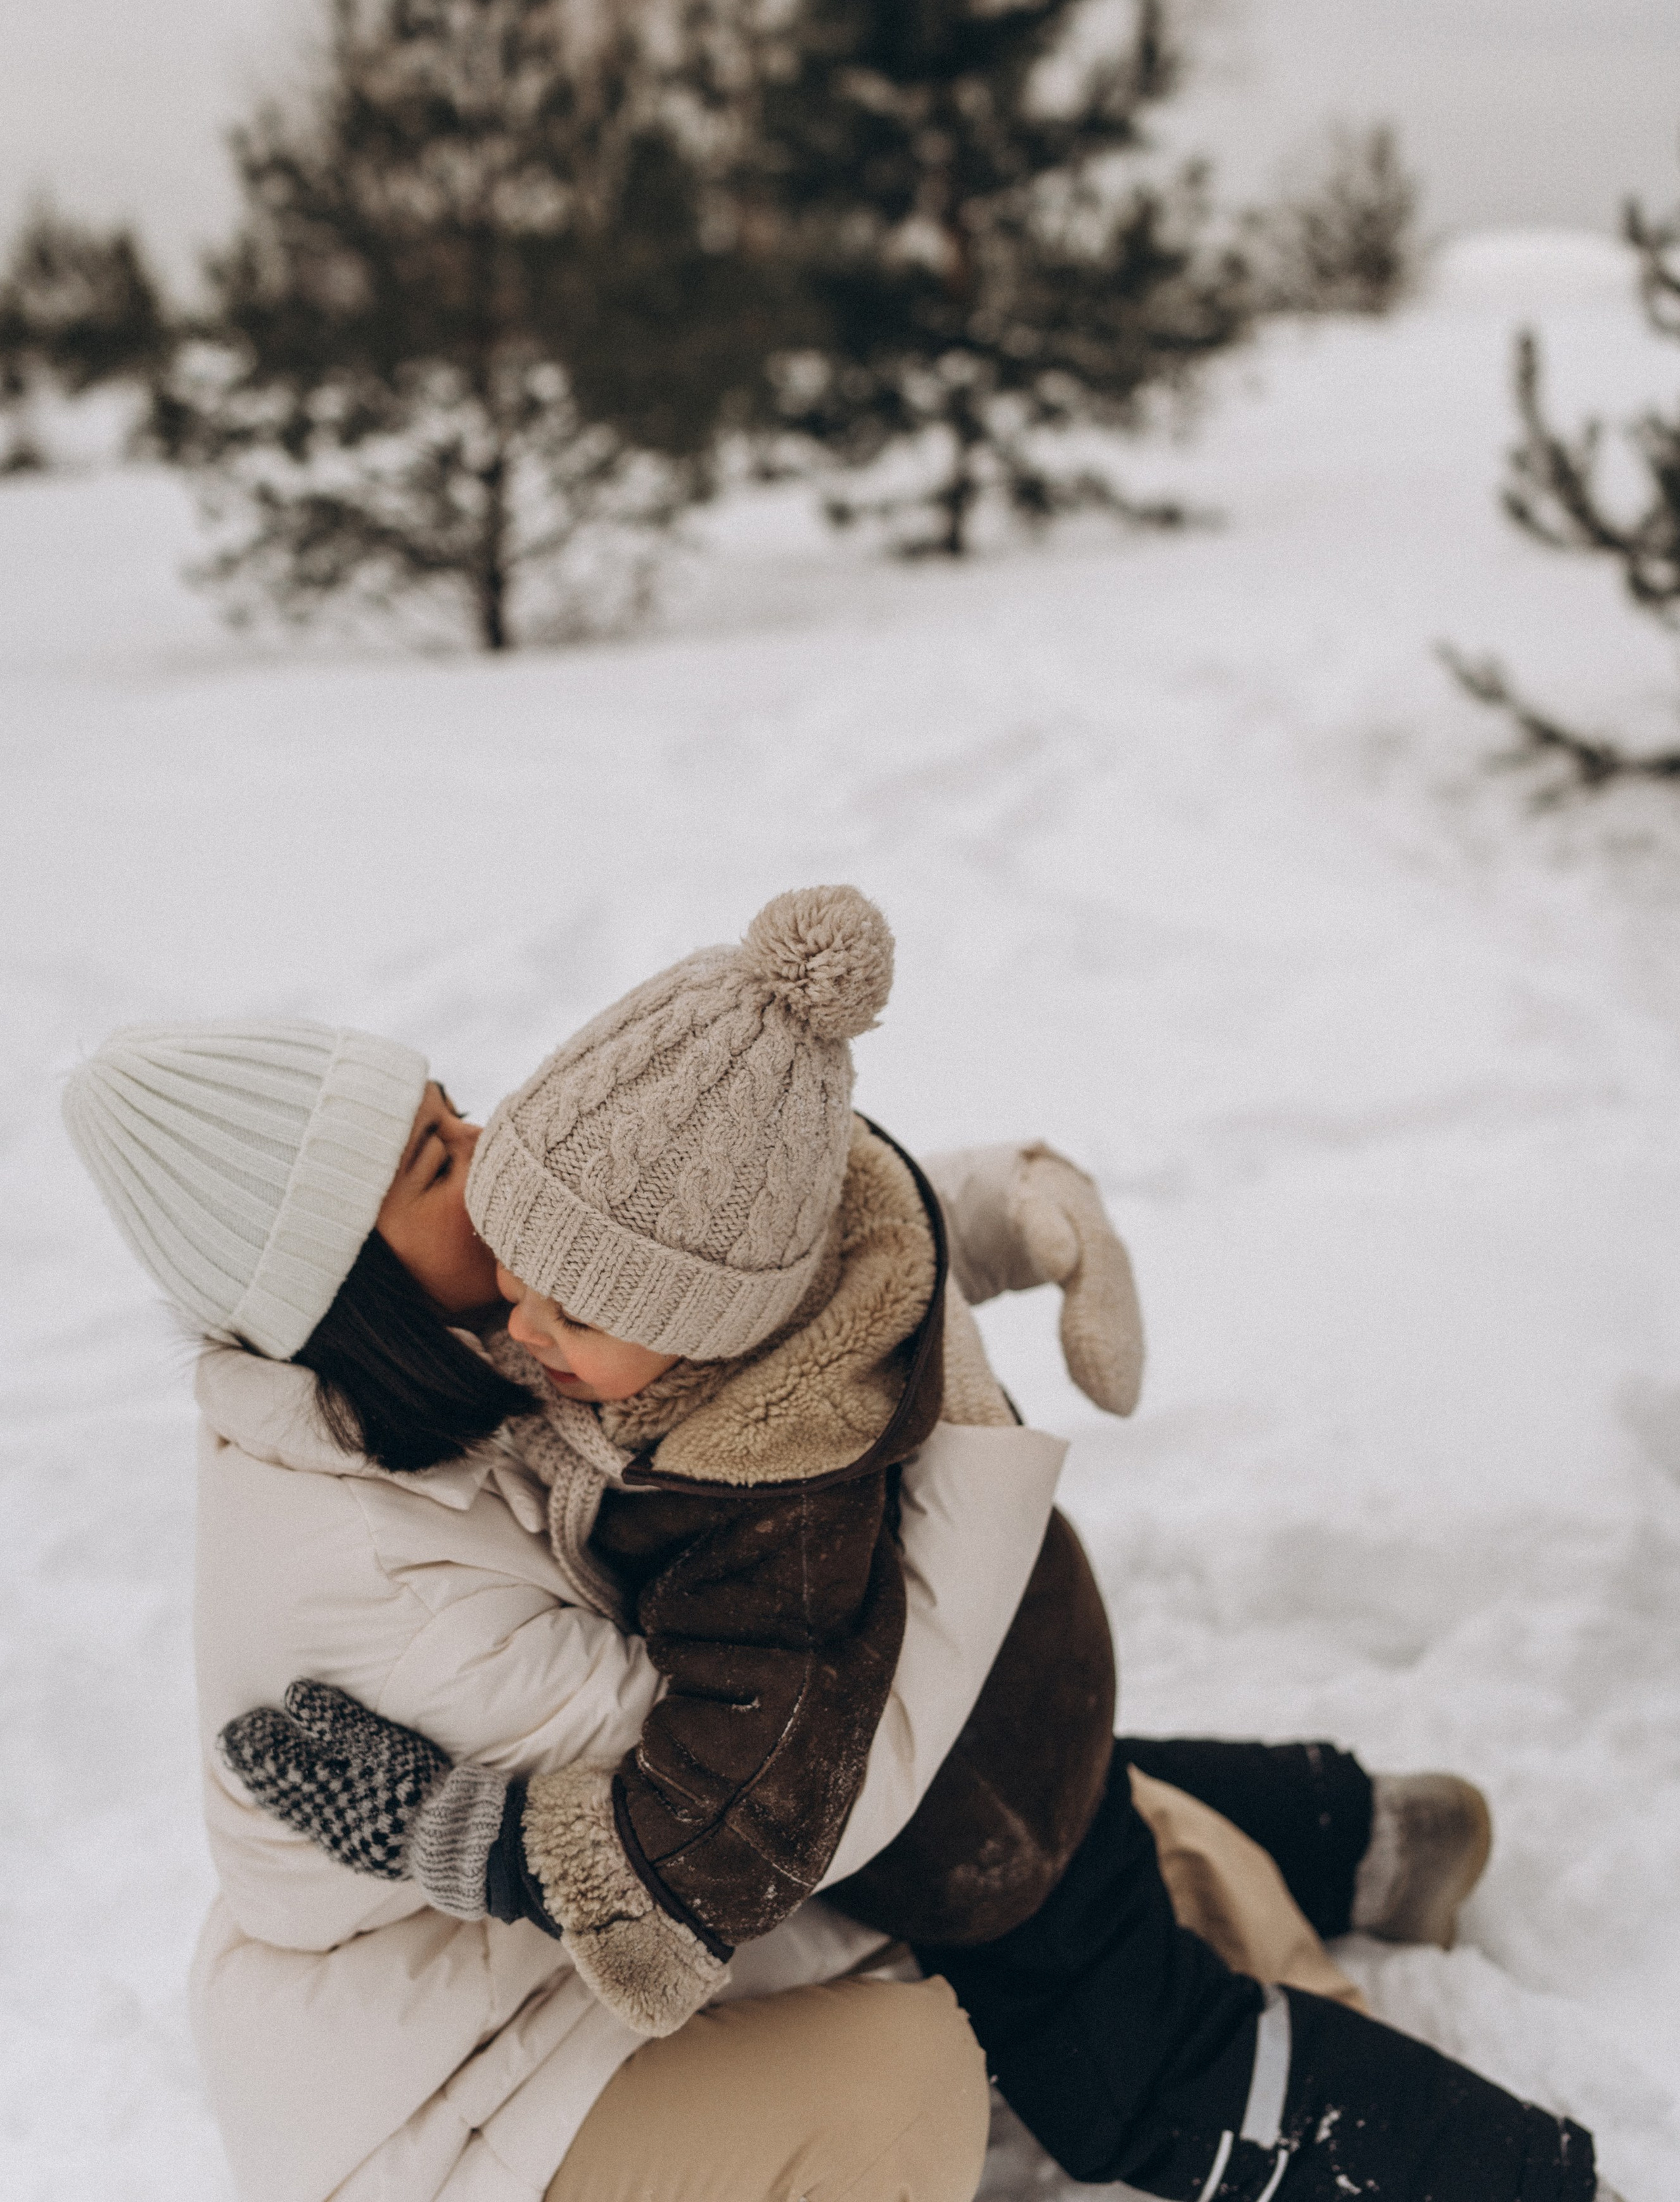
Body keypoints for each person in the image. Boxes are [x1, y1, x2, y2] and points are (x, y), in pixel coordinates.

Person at [199, 889, 1603, 2202]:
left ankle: (1517, 2172)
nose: (499, 1152)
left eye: (456, 1114)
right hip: (965, 1741)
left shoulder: (689, 1439)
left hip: (937, 1790)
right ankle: (1352, 1830)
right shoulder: (566, 1346)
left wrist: (486, 1838)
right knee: (1086, 1822)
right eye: (443, 1160)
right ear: (342, 1288)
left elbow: (769, 1798)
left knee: (1137, 2068)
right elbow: (780, 1226)